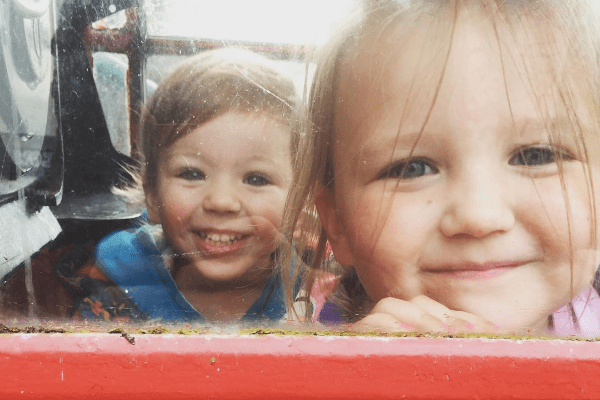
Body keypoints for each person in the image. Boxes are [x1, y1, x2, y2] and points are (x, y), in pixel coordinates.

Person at [286, 0, 600, 336]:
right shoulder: (325, 358)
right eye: (412, 168)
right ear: (337, 222)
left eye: (537, 156)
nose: (478, 217)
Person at [56, 48, 302, 324]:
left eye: (256, 179)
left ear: (299, 199)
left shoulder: (317, 296)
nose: (221, 201)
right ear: (152, 195)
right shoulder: (115, 291)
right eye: (192, 174)